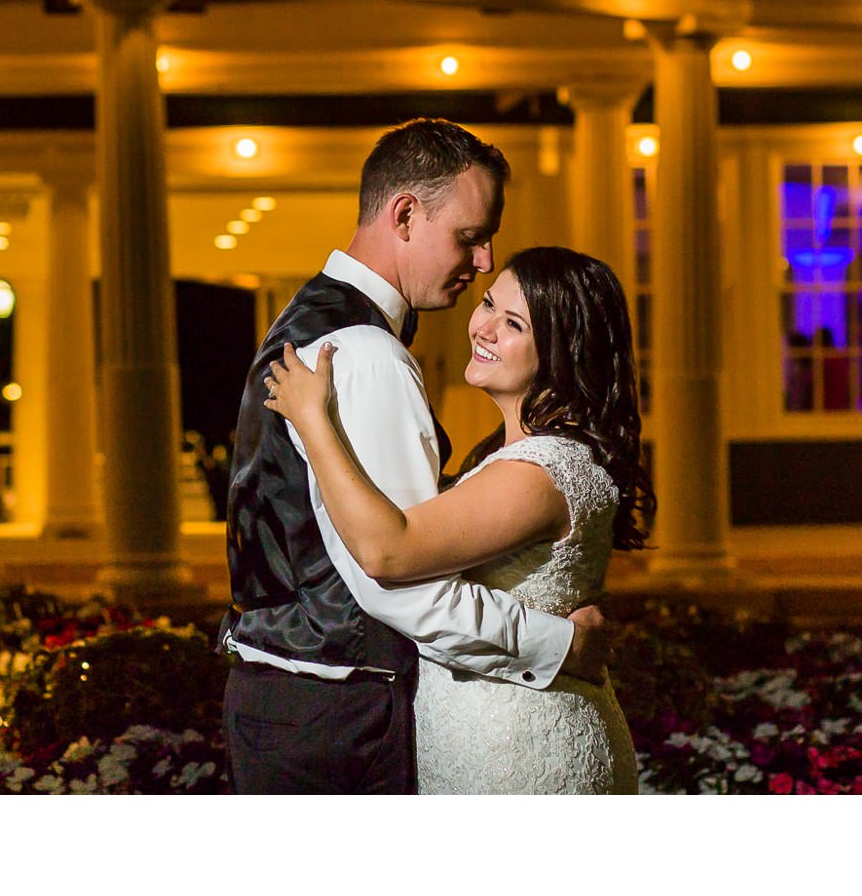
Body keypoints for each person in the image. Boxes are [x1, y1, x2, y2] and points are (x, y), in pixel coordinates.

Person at [218, 118, 611, 795]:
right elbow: (397, 579)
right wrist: (559, 644)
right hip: (338, 713)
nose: (484, 259)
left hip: (292, 702)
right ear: (404, 215)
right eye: (469, 237)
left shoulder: (309, 319)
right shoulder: (365, 354)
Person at [263, 245, 653, 793]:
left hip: (520, 751)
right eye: (489, 303)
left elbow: (388, 552)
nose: (485, 328)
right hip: (488, 737)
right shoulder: (527, 456)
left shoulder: (541, 470)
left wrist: (314, 421)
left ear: (563, 352)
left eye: (513, 323)